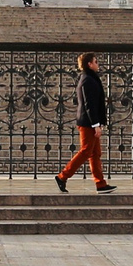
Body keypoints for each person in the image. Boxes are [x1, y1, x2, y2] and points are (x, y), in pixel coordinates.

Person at [55, 52, 114, 193]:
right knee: (86, 151)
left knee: (95, 153)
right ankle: (62, 176)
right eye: (96, 61)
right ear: (89, 64)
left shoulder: (90, 78)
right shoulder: (87, 80)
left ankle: (100, 184)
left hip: (90, 122)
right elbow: (89, 105)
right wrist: (95, 125)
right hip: (88, 123)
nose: (97, 64)